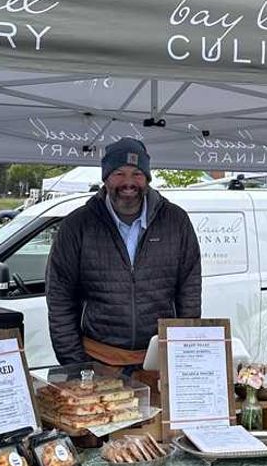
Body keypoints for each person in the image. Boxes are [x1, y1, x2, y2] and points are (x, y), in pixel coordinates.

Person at [46, 138, 202, 367]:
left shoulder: (176, 221)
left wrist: (183, 356)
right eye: (119, 173)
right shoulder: (77, 225)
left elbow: (189, 295)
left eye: (137, 173)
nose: (129, 182)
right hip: (97, 361)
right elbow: (60, 299)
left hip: (159, 363)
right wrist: (76, 365)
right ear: (105, 178)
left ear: (147, 179)